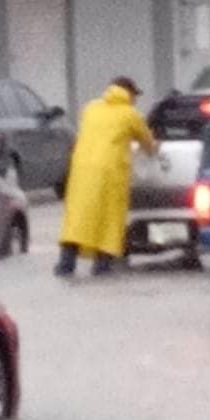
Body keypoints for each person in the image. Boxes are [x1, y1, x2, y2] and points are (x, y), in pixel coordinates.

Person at [55, 76, 157, 277]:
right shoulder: (130, 115)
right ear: (128, 93)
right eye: (134, 95)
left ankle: (65, 265)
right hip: (110, 173)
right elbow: (148, 144)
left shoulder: (90, 108)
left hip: (82, 170)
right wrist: (155, 147)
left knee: (78, 217)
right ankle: (102, 267)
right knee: (109, 219)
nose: (135, 99)